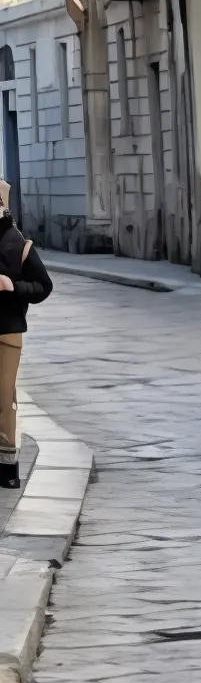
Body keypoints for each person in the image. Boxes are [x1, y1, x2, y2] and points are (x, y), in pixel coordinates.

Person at [0, 181, 53, 490]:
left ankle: (7, 467)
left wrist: (12, 286)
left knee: (4, 398)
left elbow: (43, 286)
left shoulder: (18, 243)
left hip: (7, 330)